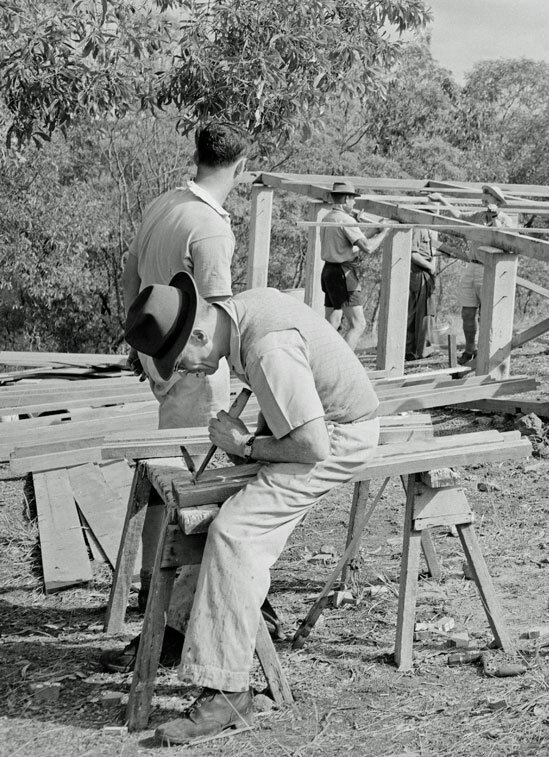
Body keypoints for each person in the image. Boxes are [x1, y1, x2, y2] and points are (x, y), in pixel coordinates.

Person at [110, 273, 381, 745]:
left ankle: (229, 693)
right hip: (315, 425)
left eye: (182, 361)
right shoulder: (239, 312)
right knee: (213, 506)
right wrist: (250, 444)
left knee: (235, 532)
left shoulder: (264, 349)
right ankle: (180, 628)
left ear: (197, 333)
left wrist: (247, 445)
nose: (190, 371)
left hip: (341, 436)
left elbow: (313, 446)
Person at [119, 120, 248, 611]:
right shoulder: (210, 228)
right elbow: (217, 316)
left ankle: (153, 585)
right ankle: (178, 599)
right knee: (195, 481)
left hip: (161, 355)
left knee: (163, 467)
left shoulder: (164, 204)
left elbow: (131, 272)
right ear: (240, 166)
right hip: (194, 364)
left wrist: (141, 341)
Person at [431, 185, 512, 365]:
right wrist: (442, 199)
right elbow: (458, 215)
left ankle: (486, 351)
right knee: (467, 312)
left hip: (490, 267)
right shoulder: (477, 215)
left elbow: (503, 239)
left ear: (497, 200)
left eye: (487, 195)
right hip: (473, 265)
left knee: (487, 313)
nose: (484, 197)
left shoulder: (506, 220)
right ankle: (470, 349)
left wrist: (495, 218)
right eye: (484, 194)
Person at [320, 180, 391, 350]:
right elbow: (367, 247)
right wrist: (386, 232)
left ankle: (325, 359)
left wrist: (373, 230)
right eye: (353, 199)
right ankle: (344, 364)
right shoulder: (345, 220)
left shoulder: (328, 217)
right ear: (345, 199)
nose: (355, 202)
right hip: (343, 273)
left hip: (329, 271)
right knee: (358, 325)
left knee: (332, 322)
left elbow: (350, 243)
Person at [405, 200, 440, 361]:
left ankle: (413, 349)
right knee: (424, 312)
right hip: (420, 273)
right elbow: (413, 253)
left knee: (421, 311)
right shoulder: (420, 229)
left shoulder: (428, 229)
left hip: (423, 273)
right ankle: (421, 349)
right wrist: (430, 267)